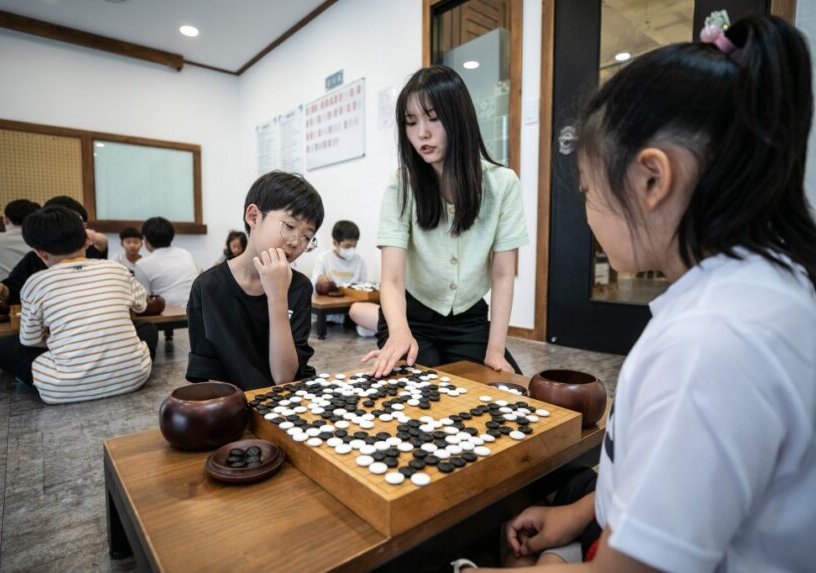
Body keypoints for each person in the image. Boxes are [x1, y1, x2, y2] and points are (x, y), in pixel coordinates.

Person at [463, 13, 816, 573]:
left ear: (652, 179)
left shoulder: (708, 346)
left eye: (587, 189)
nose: (587, 211)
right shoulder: (776, 284)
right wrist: (584, 512)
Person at [364, 65, 529, 378]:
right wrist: (399, 333)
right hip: (410, 317)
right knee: (427, 393)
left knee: (503, 390)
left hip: (469, 319)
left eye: (433, 118)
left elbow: (504, 274)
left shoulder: (503, 184)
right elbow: (392, 279)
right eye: (411, 123)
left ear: (459, 118)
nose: (421, 133)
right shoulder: (400, 185)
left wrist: (494, 349)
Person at [0, 206, 158, 405]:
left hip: (62, 390)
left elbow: (30, 340)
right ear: (87, 240)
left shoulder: (35, 283)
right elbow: (141, 306)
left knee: (2, 346)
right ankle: (118, 367)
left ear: (39, 253)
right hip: (133, 377)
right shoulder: (117, 269)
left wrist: (61, 338)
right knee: (148, 328)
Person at [187, 171, 324, 390]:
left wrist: (277, 296)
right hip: (232, 404)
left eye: (307, 237)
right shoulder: (208, 287)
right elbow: (209, 377)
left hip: (285, 398)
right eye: (289, 226)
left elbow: (284, 377)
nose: (296, 242)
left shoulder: (299, 287)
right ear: (253, 217)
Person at [0, 196, 108, 304]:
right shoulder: (34, 258)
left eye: (81, 224)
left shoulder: (90, 254)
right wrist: (3, 289)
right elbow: (15, 286)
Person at [312, 220, 378, 337]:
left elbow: (363, 287)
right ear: (335, 243)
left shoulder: (359, 261)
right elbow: (315, 286)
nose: (351, 249)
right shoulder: (324, 259)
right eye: (347, 246)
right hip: (330, 312)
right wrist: (321, 281)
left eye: (354, 245)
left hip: (352, 309)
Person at [133, 217, 200, 309]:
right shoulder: (185, 253)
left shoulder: (142, 265)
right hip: (197, 311)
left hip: (169, 315)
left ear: (145, 239)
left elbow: (144, 300)